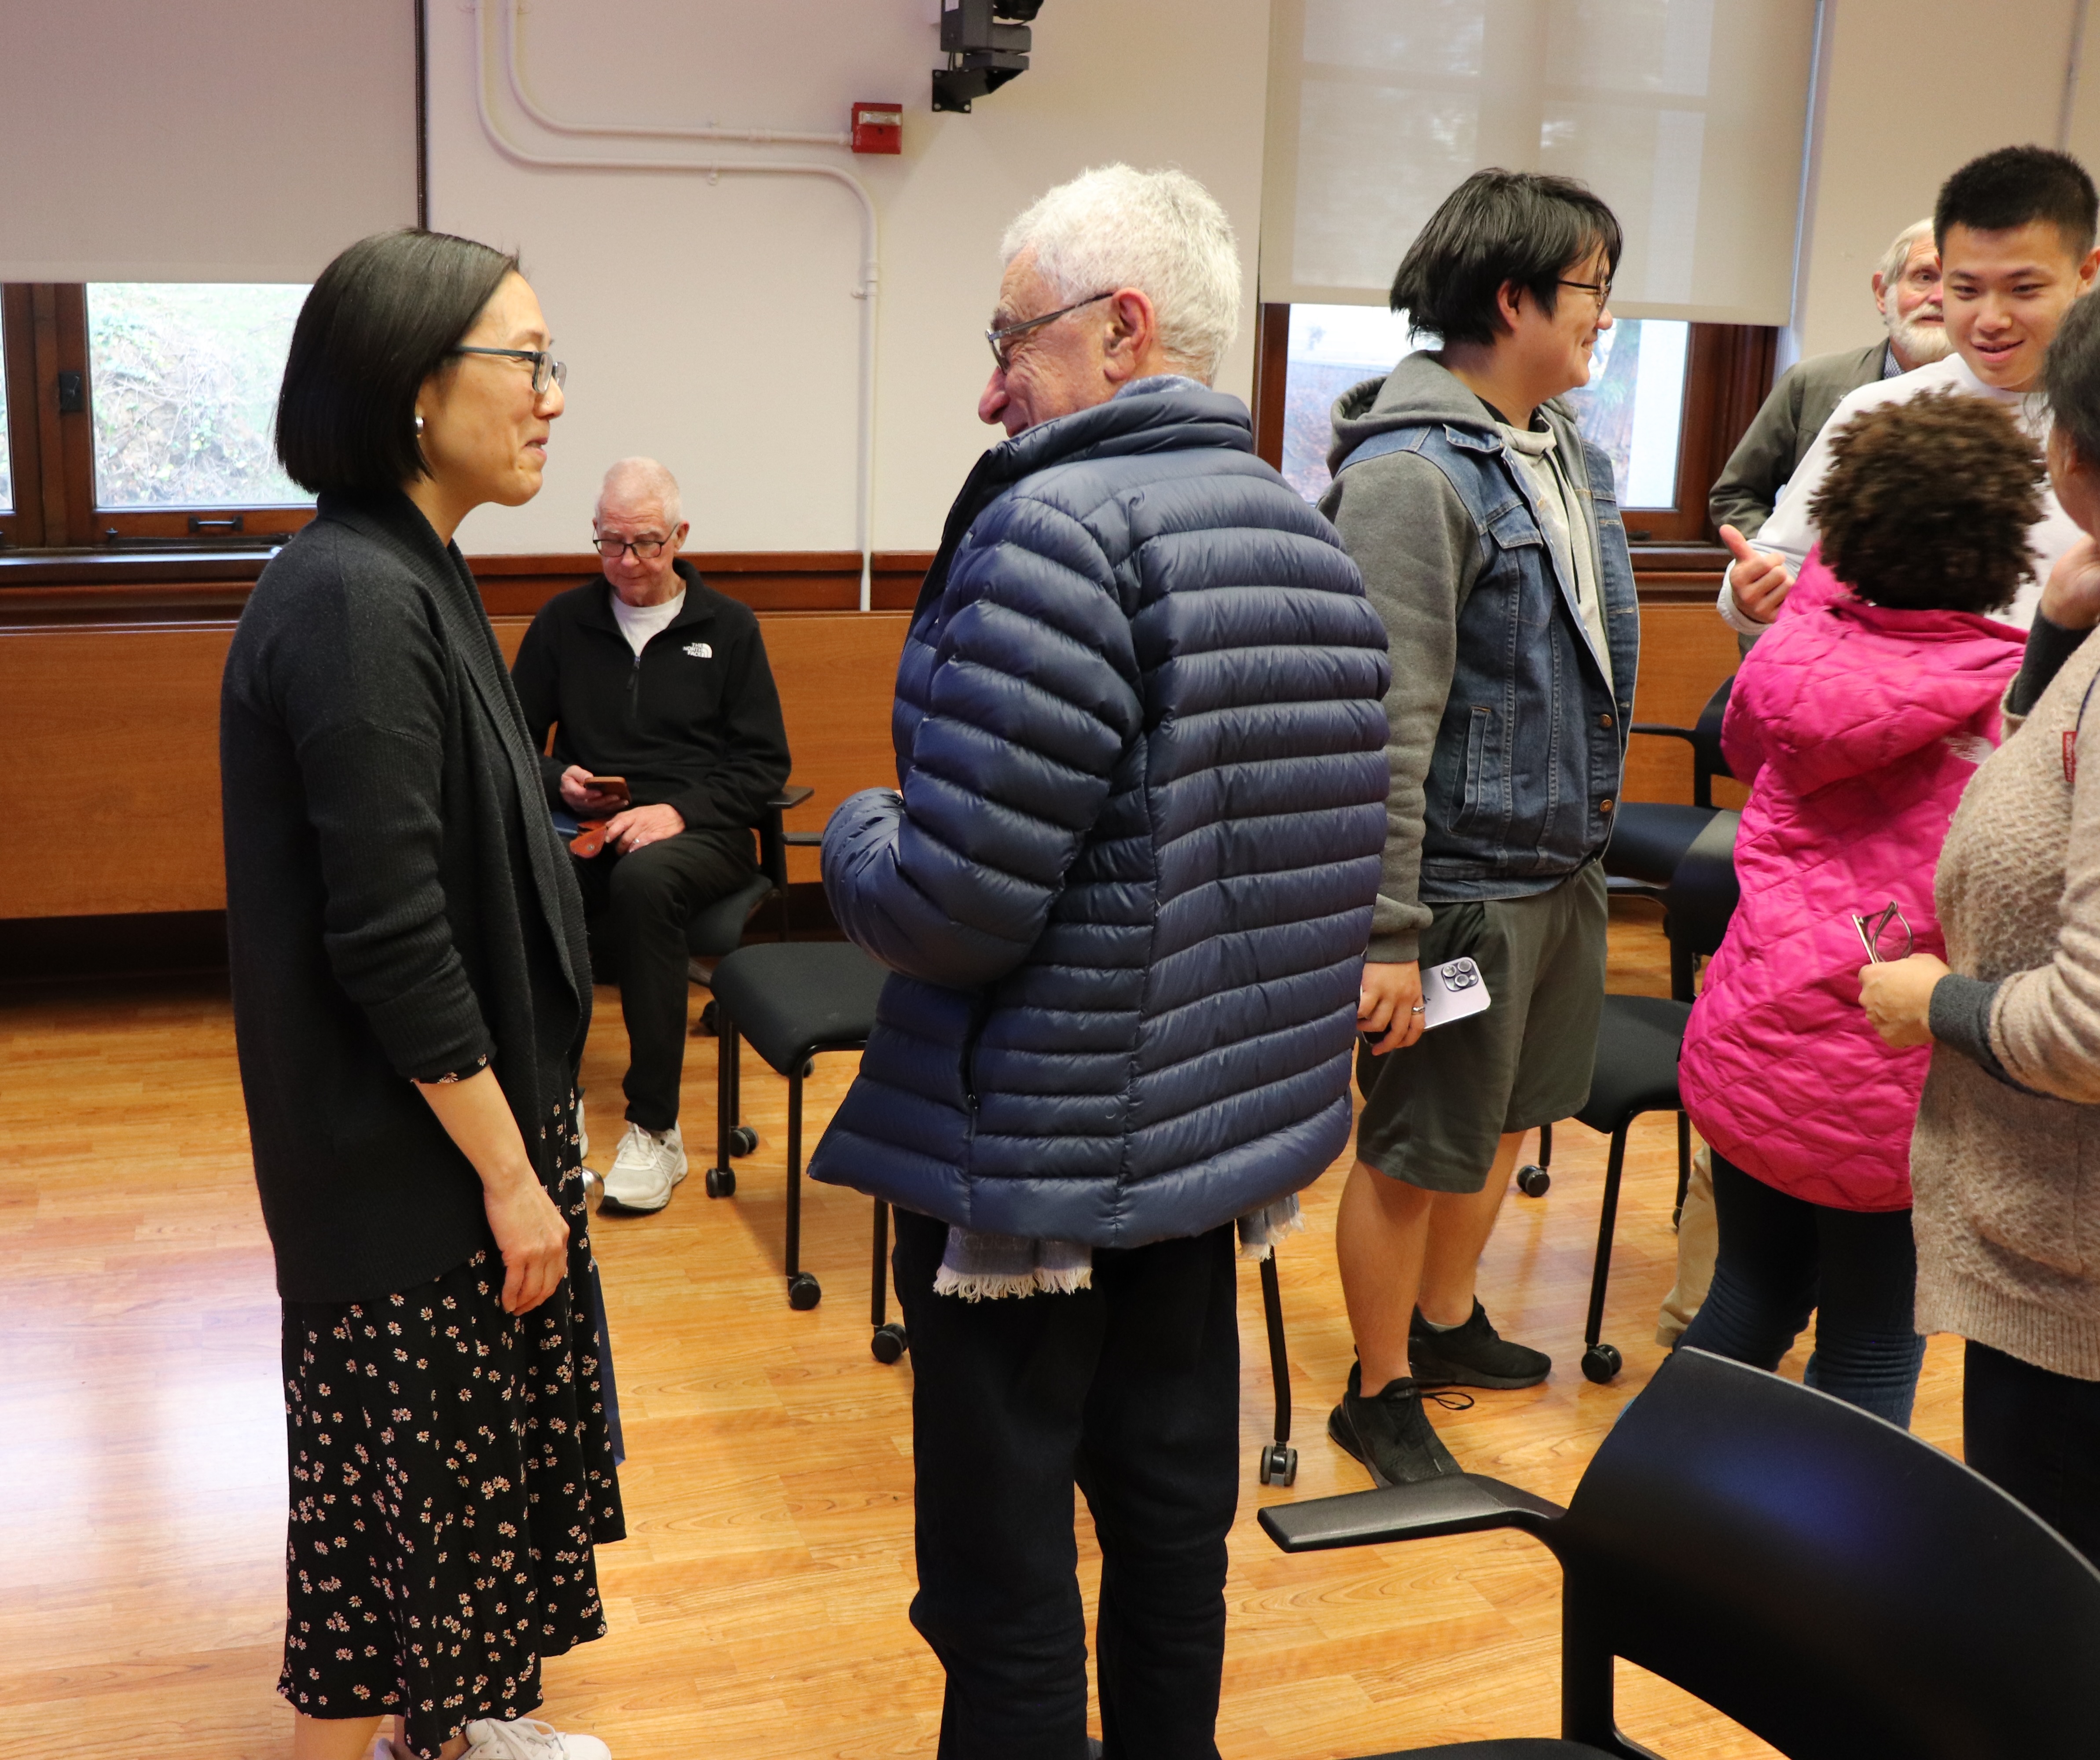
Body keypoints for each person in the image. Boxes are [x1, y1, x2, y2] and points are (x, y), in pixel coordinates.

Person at [808, 164, 1390, 1758]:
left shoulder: (1057, 533)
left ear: (1120, 330)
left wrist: (856, 828)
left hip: (1033, 1170)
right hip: (1199, 1158)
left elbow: (952, 905)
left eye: (1012, 337)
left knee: (999, 1592)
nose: (988, 382)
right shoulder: (1302, 533)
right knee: (1165, 1539)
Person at [220, 229, 620, 1760]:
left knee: (469, 1491)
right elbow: (388, 935)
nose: (550, 397)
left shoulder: (418, 567)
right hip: (406, 1167)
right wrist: (515, 1177)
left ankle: (452, 1732)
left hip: (456, 1146)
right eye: (525, 361)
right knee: (411, 1517)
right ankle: (412, 1735)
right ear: (409, 388)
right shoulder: (348, 595)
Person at [1319, 169, 1638, 1485]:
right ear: (1509, 300)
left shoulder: (1564, 447)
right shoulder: (1408, 477)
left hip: (1557, 871)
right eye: (1588, 294)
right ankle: (1377, 1382)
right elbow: (1388, 721)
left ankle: (1447, 1323)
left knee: (1512, 1111)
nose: (1603, 321)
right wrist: (1386, 933)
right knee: (1414, 1142)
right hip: (1456, 894)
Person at [1675, 390, 2034, 1426]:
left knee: (1744, 1299)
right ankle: (1821, 1584)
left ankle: (1663, 1523)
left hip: (1750, 1049)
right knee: (1872, 1347)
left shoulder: (1787, 657)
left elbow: (1742, 749)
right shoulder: (2003, 697)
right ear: (2005, 549)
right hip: (1889, 1089)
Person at [1861, 289, 2100, 1566]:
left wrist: (1930, 1004)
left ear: (2067, 455)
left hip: (2076, 1284)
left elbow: (2089, 1023)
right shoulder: (2079, 626)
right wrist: (2056, 633)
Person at [512, 458, 790, 1214]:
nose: (628, 563)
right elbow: (509, 741)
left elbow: (764, 765)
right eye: (610, 544)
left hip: (703, 830)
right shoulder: (564, 622)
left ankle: (655, 1126)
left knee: (645, 882)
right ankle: (548, 1105)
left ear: (680, 537)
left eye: (645, 543)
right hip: (591, 823)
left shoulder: (728, 628)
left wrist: (676, 813)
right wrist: (557, 776)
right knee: (537, 876)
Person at [1722, 145, 2100, 638]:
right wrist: (1749, 596)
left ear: (2084, 274)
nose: (1990, 320)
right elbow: (1782, 563)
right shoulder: (1879, 411)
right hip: (1900, 702)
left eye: (2023, 290)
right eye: (1964, 291)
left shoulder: (2085, 415)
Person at [1709, 217, 1949, 541]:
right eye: (1924, 277)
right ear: (1883, 293)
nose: (1940, 297)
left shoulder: (2008, 398)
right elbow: (1737, 495)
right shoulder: (1811, 385)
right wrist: (1774, 564)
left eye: (1960, 285)